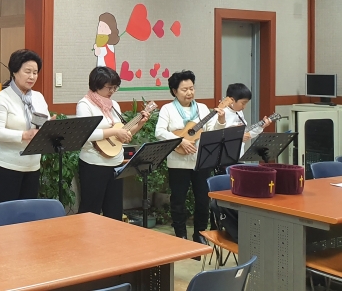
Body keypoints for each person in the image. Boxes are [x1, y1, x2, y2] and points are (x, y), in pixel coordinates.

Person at [154, 70, 226, 243]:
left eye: (192, 88)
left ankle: (199, 234)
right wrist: (180, 141)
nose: (189, 92)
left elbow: (212, 132)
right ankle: (181, 235)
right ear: (174, 91)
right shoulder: (168, 109)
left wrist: (221, 120)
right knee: (178, 200)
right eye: (184, 89)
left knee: (202, 200)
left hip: (201, 161)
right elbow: (159, 132)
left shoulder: (202, 108)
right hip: (177, 162)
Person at [76, 66, 149, 220]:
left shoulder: (114, 105)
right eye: (109, 87)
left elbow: (123, 133)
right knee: (90, 210)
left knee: (114, 211)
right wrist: (115, 132)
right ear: (96, 85)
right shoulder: (85, 104)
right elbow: (86, 134)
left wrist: (140, 124)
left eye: (115, 87)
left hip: (116, 163)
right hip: (93, 164)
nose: (112, 91)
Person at [0, 49, 50, 204]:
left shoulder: (38, 97)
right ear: (14, 72)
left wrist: (50, 127)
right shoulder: (3, 98)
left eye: (35, 72)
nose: (32, 77)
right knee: (8, 213)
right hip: (8, 165)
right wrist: (23, 135)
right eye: (27, 72)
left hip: (33, 165)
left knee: (28, 213)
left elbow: (43, 124)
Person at [223, 83, 273, 156]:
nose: (244, 107)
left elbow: (247, 134)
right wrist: (236, 138)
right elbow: (217, 138)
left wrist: (261, 127)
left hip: (239, 156)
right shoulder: (221, 114)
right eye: (243, 103)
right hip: (225, 157)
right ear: (232, 100)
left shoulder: (239, 113)